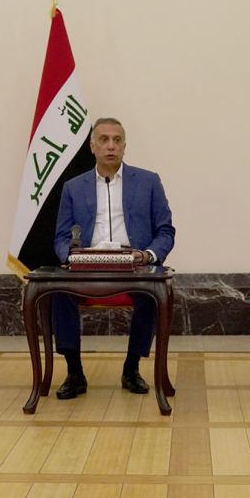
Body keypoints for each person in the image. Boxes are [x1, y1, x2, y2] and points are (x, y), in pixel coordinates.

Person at [51, 117, 175, 399]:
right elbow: (60, 237)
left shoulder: (148, 181)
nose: (111, 146)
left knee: (152, 292)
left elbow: (165, 231)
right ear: (92, 146)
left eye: (117, 140)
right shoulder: (73, 187)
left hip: (133, 265)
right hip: (87, 265)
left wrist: (147, 255)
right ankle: (74, 371)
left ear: (124, 146)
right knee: (60, 292)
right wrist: (71, 256)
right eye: (104, 140)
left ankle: (132, 367)